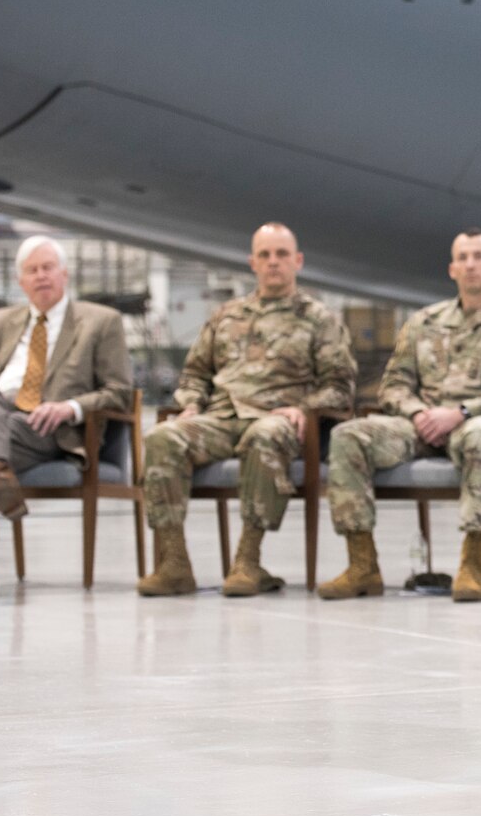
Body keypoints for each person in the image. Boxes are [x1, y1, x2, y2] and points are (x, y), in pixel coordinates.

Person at [317, 229, 481, 602]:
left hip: (476, 420)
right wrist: (420, 413)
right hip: (419, 425)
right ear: (452, 269)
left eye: (478, 256)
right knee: (348, 434)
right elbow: (393, 385)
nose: (470, 264)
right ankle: (362, 565)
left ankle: (472, 566)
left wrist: (461, 412)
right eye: (463, 258)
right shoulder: (424, 322)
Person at [137, 223, 355, 597]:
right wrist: (190, 405)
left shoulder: (318, 318)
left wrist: (304, 407)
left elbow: (340, 386)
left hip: (278, 419)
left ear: (297, 261)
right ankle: (174, 563)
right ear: (252, 262)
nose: (274, 262)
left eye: (282, 255)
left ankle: (248, 560)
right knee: (162, 438)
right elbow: (194, 374)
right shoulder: (226, 315)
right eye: (265, 255)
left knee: (265, 436)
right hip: (221, 418)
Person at [0, 236, 132, 598]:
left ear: (65, 274)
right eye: (32, 270)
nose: (41, 276)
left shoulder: (101, 322)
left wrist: (69, 408)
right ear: (21, 281)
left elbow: (119, 391)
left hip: (49, 428)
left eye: (48, 268)